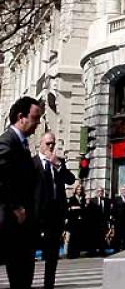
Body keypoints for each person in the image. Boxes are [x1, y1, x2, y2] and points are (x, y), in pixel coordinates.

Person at [0, 96, 43, 289]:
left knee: (24, 276)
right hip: (13, 221)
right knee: (18, 273)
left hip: (25, 223)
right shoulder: (7, 142)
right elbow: (2, 179)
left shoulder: (23, 144)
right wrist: (16, 206)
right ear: (21, 117)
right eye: (35, 118)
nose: (38, 124)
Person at [32, 132, 76, 289]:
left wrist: (58, 164)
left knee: (52, 256)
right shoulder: (33, 163)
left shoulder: (58, 163)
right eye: (48, 143)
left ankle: (48, 285)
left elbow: (71, 179)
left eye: (53, 144)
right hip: (36, 216)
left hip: (54, 216)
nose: (51, 146)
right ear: (41, 143)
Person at [85, 188, 112, 256]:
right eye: (99, 191)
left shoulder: (107, 200)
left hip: (103, 221)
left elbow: (108, 211)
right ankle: (93, 251)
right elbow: (89, 212)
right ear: (96, 192)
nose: (100, 193)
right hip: (95, 222)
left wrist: (108, 220)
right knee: (94, 236)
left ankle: (102, 251)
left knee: (102, 236)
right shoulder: (92, 200)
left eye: (101, 191)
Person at [66, 184, 87, 258]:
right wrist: (76, 208)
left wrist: (78, 207)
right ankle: (70, 254)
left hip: (80, 221)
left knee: (79, 237)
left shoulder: (83, 199)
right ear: (75, 190)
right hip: (73, 221)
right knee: (72, 237)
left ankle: (77, 253)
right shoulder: (72, 199)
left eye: (80, 189)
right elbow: (69, 208)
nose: (79, 191)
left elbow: (84, 208)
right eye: (78, 189)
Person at [111, 186, 125, 253]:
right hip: (119, 221)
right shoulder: (116, 199)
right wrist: (115, 218)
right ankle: (116, 250)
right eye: (123, 190)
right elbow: (114, 210)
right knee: (118, 236)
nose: (124, 191)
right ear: (120, 191)